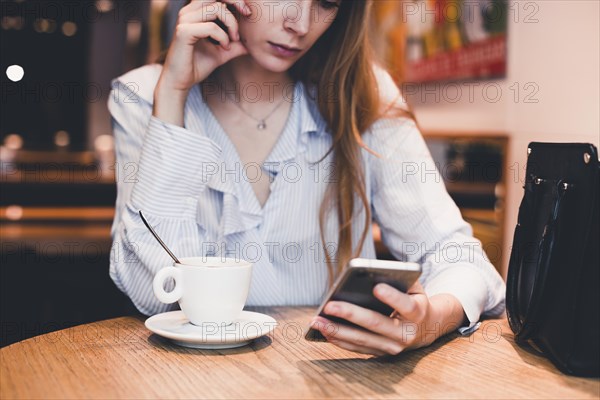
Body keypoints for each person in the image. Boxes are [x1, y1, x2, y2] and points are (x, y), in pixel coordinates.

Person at [108, 0, 505, 356]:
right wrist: (173, 95)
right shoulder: (144, 95)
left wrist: (429, 319)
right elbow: (152, 293)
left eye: (327, 2)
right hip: (188, 381)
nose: (300, 23)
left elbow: (458, 255)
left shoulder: (364, 93)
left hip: (328, 376)